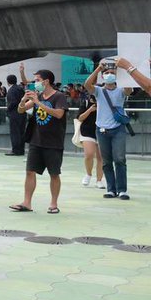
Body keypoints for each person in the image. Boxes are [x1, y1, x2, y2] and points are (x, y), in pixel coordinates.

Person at [10, 69, 69, 214]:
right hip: (36, 140)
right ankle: (27, 202)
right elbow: (21, 110)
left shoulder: (59, 96)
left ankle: (53, 204)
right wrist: (24, 100)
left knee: (54, 173)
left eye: (37, 80)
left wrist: (38, 103)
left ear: (46, 81)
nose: (35, 83)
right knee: (30, 171)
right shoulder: (39, 95)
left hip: (54, 141)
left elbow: (59, 114)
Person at [86, 58, 134, 200]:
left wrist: (124, 72)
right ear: (102, 76)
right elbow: (87, 85)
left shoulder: (121, 90)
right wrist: (98, 69)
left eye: (112, 73)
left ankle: (122, 190)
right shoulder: (99, 91)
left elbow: (129, 90)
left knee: (119, 159)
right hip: (101, 129)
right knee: (106, 161)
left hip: (118, 128)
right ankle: (111, 189)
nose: (109, 75)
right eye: (106, 73)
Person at [77, 95, 103, 189]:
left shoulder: (104, 102)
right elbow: (80, 118)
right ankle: (88, 174)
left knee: (101, 157)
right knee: (89, 154)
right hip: (87, 131)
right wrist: (90, 110)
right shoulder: (86, 102)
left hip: (102, 131)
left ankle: (99, 180)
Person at [5, 74, 27, 156]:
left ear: (8, 81)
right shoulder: (20, 88)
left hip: (14, 114)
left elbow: (13, 102)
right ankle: (21, 150)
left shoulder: (11, 90)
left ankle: (15, 150)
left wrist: (8, 109)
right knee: (21, 132)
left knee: (15, 132)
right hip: (22, 113)